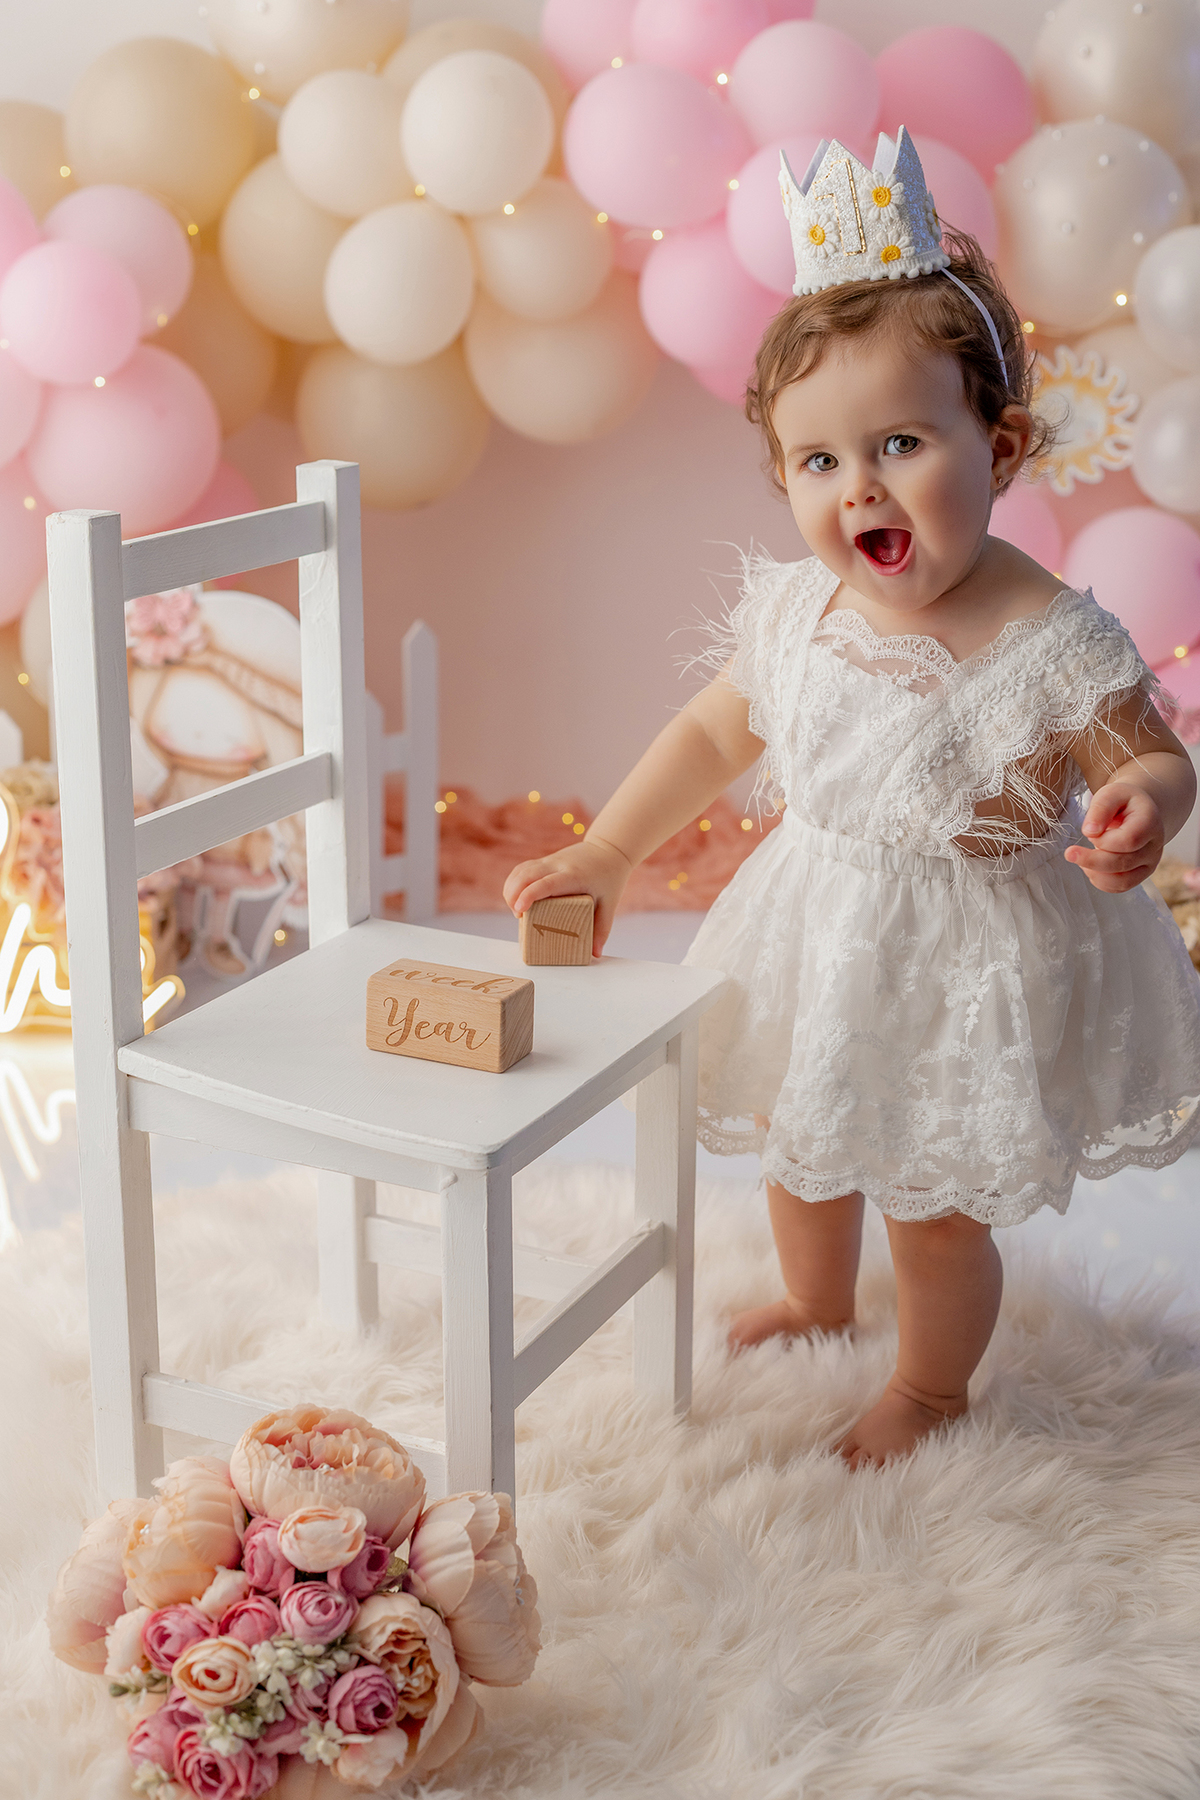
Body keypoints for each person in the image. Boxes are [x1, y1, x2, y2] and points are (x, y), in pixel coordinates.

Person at [503, 131, 1200, 1469]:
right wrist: (610, 851)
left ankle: (932, 1388)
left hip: (967, 960)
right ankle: (817, 1297)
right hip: (817, 922)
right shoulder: (800, 613)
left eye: (900, 443)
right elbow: (711, 731)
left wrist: (1146, 804)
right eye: (817, 462)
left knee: (929, 1203)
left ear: (1000, 446)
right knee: (797, 1135)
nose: (859, 485)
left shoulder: (1052, 638)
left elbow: (1147, 753)